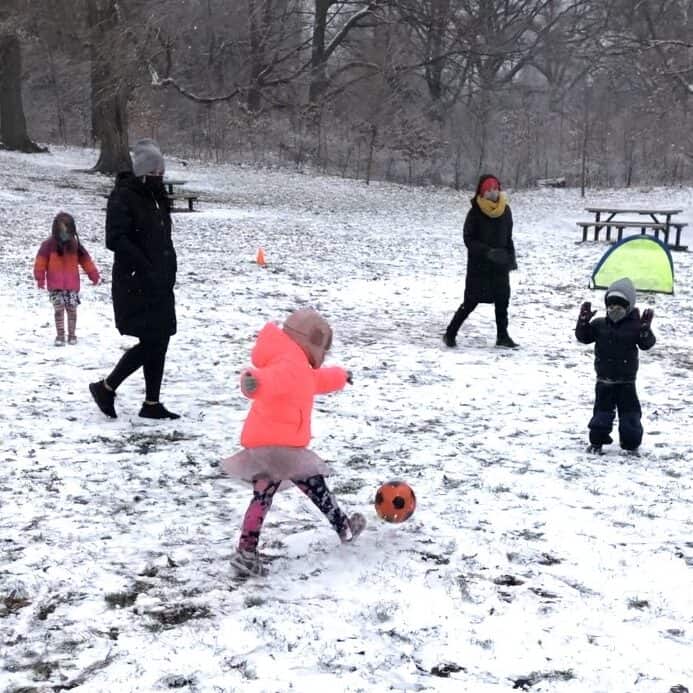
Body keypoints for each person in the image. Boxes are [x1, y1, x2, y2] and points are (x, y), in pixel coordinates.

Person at [221, 308, 366, 577]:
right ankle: (343, 527)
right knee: (313, 485)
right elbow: (269, 380)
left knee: (265, 497)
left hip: (266, 445)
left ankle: (246, 553)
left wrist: (340, 376)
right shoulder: (289, 364)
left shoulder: (295, 363)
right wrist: (252, 383)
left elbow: (316, 381)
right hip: (282, 447)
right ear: (312, 341)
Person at [89, 139, 179, 420]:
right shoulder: (124, 196)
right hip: (136, 282)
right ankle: (106, 387)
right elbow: (115, 238)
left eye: (162, 172)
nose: (160, 177)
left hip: (160, 280)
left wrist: (166, 266)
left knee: (160, 339)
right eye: (156, 172)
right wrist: (145, 265)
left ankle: (151, 403)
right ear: (144, 172)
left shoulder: (157, 197)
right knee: (153, 339)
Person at [575, 277, 656, 454]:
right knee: (601, 414)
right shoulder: (599, 324)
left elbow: (647, 344)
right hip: (604, 380)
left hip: (627, 381)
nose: (614, 311)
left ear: (628, 307)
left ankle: (631, 444)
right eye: (610, 307)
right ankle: (597, 441)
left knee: (630, 416)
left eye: (619, 307)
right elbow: (583, 337)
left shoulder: (635, 327)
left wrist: (645, 332)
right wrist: (582, 323)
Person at [443, 174, 518, 348]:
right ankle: (450, 333)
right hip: (480, 266)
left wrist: (510, 259)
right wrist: (486, 252)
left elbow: (508, 237)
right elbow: (468, 238)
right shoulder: (475, 212)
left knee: (502, 301)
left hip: (500, 264)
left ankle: (502, 336)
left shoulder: (505, 210)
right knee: (471, 301)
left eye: (495, 189)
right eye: (489, 190)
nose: (493, 193)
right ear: (482, 192)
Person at [34, 212, 100, 346]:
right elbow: (40, 262)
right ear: (56, 229)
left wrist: (93, 274)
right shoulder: (48, 245)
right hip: (55, 285)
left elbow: (86, 261)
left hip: (72, 286)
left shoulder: (75, 245)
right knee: (58, 311)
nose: (64, 232)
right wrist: (40, 278)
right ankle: (60, 335)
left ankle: (72, 335)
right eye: (61, 229)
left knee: (72, 310)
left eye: (67, 229)